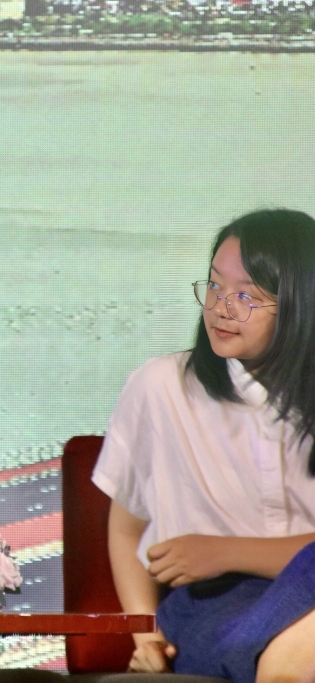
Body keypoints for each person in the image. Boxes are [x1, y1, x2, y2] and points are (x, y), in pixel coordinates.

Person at [93, 209, 315, 681]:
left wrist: (226, 551)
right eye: (214, 285)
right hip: (213, 605)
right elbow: (127, 532)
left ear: (301, 303)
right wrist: (147, 638)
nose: (220, 308)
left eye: (246, 296)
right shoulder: (162, 386)